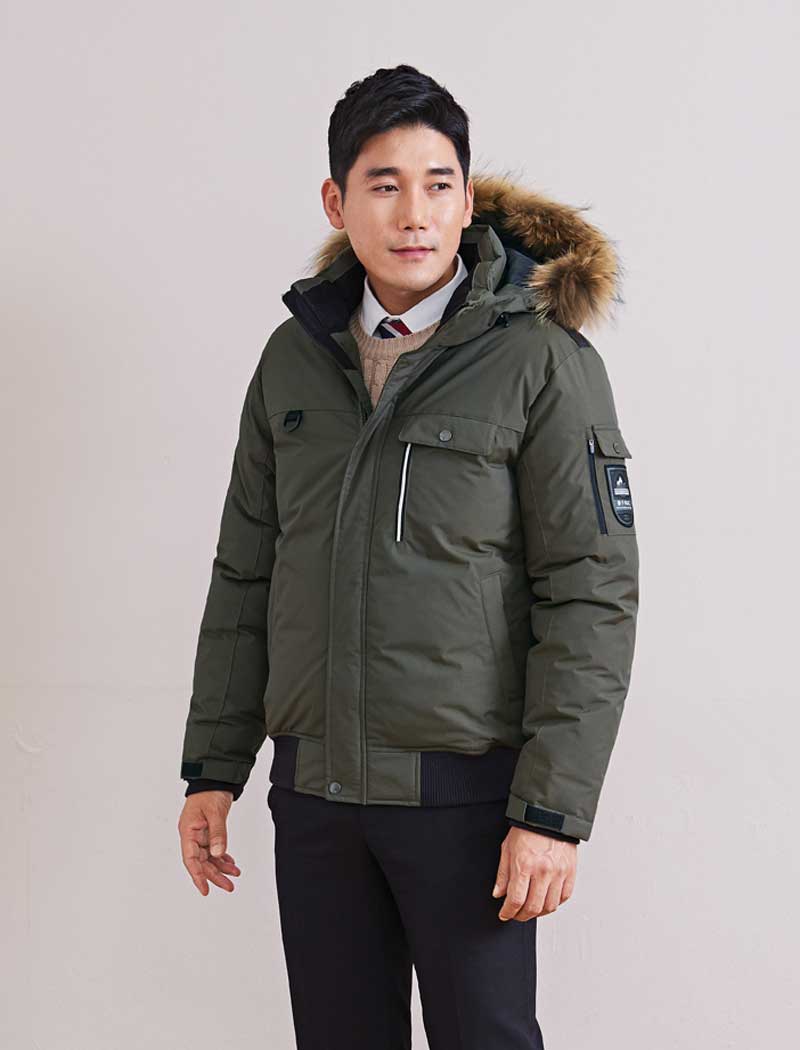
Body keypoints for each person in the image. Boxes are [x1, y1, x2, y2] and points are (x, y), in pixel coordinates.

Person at [177, 63, 639, 1050]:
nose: (414, 213)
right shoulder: (292, 359)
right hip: (315, 798)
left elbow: (590, 594)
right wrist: (214, 768)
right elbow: (245, 574)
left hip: (466, 802)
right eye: (383, 185)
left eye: (438, 184)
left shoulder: (541, 360)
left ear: (467, 201)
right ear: (336, 201)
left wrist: (551, 813)